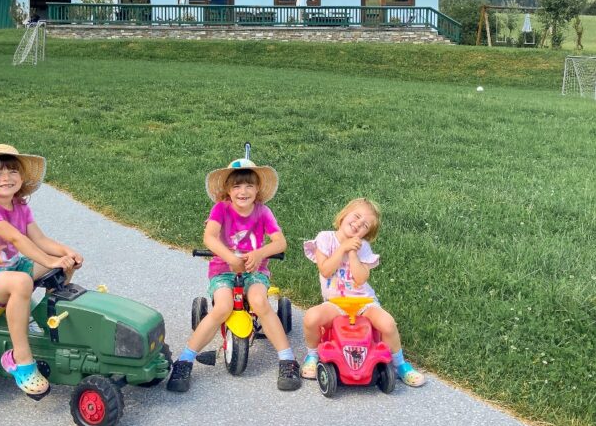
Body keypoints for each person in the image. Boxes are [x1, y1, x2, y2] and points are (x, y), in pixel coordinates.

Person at [0, 144, 83, 399]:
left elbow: (40, 239)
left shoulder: (20, 206)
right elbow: (16, 239)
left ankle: (48, 323)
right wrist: (49, 261)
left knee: (61, 261)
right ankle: (20, 358)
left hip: (9, 267)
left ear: (22, 177)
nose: (6, 178)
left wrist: (66, 253)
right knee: (22, 282)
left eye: (12, 171)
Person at [166, 156, 301, 392]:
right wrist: (229, 257)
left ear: (258, 189)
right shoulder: (220, 209)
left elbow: (280, 242)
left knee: (259, 302)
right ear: (227, 190)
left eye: (249, 185)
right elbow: (209, 237)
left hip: (254, 270)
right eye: (237, 186)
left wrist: (259, 253)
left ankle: (287, 359)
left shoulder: (262, 211)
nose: (243, 191)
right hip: (222, 270)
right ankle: (185, 360)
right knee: (222, 307)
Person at [300, 198, 426, 387]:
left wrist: (352, 253)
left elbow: (360, 279)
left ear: (367, 234)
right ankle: (312, 355)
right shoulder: (325, 238)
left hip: (363, 302)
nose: (358, 223)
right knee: (311, 317)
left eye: (364, 225)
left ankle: (400, 365)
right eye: (356, 216)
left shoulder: (363, 248)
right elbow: (326, 270)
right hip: (335, 302)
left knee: (388, 323)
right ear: (343, 216)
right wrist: (342, 248)